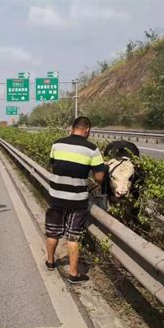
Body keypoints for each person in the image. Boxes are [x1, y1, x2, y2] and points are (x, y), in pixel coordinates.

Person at [45, 116, 105, 283]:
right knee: (73, 236)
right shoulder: (92, 149)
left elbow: (54, 165)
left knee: (52, 231)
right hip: (77, 200)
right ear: (87, 130)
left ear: (72, 128)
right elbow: (99, 177)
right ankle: (73, 273)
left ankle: (50, 262)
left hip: (56, 196)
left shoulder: (56, 144)